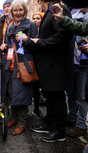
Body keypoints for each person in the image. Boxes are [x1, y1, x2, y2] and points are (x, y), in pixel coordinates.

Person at [30, 0, 74, 142]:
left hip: (57, 65)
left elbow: (64, 35)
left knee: (57, 96)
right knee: (49, 95)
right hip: (49, 65)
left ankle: (60, 130)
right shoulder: (49, 10)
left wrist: (40, 42)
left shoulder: (58, 9)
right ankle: (50, 122)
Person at [2, 0, 38, 135]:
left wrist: (26, 39)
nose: (18, 13)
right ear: (11, 12)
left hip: (23, 65)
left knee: (22, 96)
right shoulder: (10, 27)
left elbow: (36, 46)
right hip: (10, 65)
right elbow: (7, 43)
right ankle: (14, 118)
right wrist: (4, 46)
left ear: (25, 11)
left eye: (20, 10)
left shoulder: (31, 25)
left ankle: (22, 122)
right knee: (12, 94)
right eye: (15, 10)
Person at [53, 4, 88, 138]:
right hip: (72, 61)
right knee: (72, 93)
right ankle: (72, 117)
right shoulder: (73, 12)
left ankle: (81, 125)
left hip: (84, 64)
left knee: (82, 96)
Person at [31, 11, 45, 119]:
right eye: (34, 18)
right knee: (34, 87)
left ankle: (38, 108)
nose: (35, 20)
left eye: (38, 18)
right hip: (32, 61)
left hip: (43, 62)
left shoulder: (45, 32)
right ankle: (35, 108)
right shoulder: (31, 30)